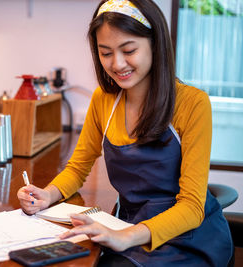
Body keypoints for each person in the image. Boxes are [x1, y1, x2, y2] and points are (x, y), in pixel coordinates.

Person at [17, 0, 233, 266]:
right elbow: (78, 167)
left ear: (155, 44)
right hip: (126, 227)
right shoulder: (103, 100)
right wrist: (46, 195)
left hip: (186, 238)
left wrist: (125, 236)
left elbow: (191, 207)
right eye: (105, 53)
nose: (117, 64)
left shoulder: (192, 104)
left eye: (128, 50)